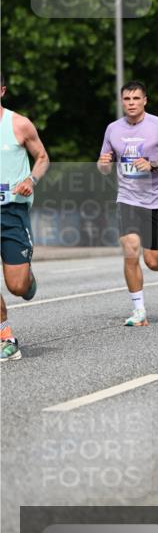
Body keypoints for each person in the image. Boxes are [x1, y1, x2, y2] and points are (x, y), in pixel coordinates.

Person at [98, 80, 158, 326]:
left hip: (155, 200)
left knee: (152, 260)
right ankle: (139, 311)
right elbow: (104, 165)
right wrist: (103, 164)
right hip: (127, 198)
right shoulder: (113, 129)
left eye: (136, 99)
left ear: (145, 100)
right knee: (130, 253)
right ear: (122, 101)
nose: (131, 103)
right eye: (127, 99)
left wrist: (154, 164)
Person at [0, 73, 49, 362]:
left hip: (12, 211)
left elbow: (43, 158)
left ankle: (28, 280)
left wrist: (31, 179)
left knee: (17, 286)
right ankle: (5, 336)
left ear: (2, 90)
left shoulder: (19, 124)